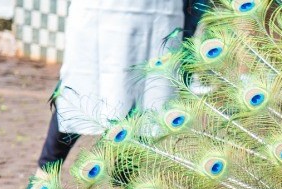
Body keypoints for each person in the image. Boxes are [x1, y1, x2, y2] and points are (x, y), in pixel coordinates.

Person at [36, 1, 185, 170]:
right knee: (81, 89)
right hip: (102, 12)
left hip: (158, 15)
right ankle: (46, 171)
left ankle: (126, 181)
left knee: (146, 96)